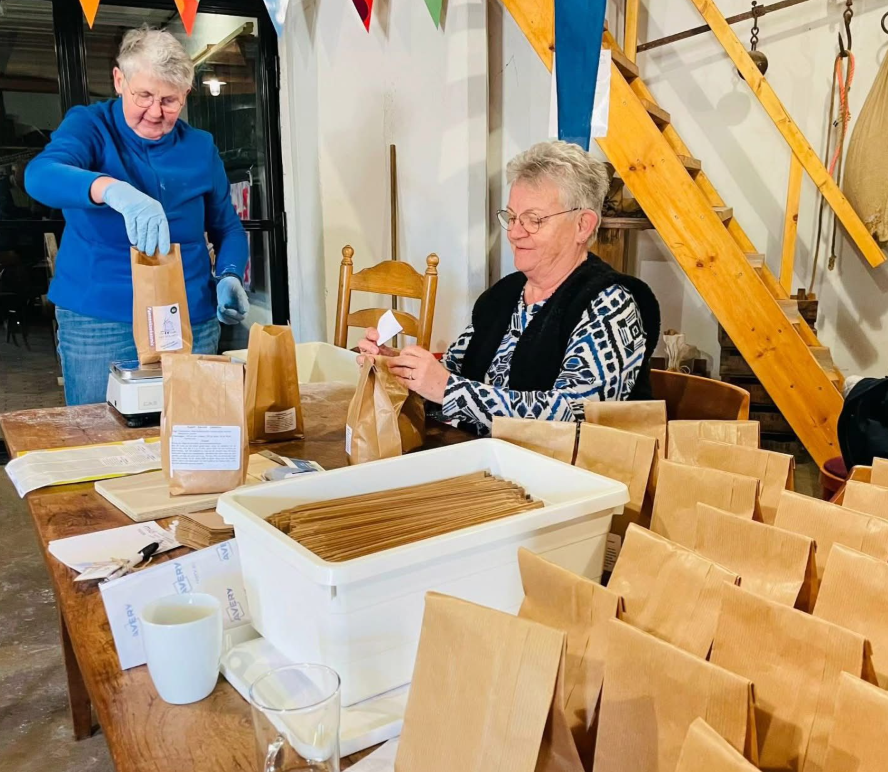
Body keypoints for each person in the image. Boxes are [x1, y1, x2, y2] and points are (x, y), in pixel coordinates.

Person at [358, 140, 661, 435]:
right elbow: (449, 373)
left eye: (533, 220)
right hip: (484, 457)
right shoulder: (504, 294)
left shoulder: (611, 303)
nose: (514, 233)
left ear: (582, 225)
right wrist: (397, 367)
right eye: (512, 217)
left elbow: (576, 417)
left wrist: (448, 389)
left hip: (559, 470)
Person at [25, 27, 249, 406]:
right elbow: (40, 175)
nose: (156, 112)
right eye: (143, 95)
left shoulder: (200, 146)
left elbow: (227, 227)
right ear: (119, 80)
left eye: (169, 101)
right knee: (99, 428)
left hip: (189, 316)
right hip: (99, 318)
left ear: (186, 94)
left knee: (189, 426)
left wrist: (229, 273)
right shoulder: (90, 126)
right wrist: (110, 189)